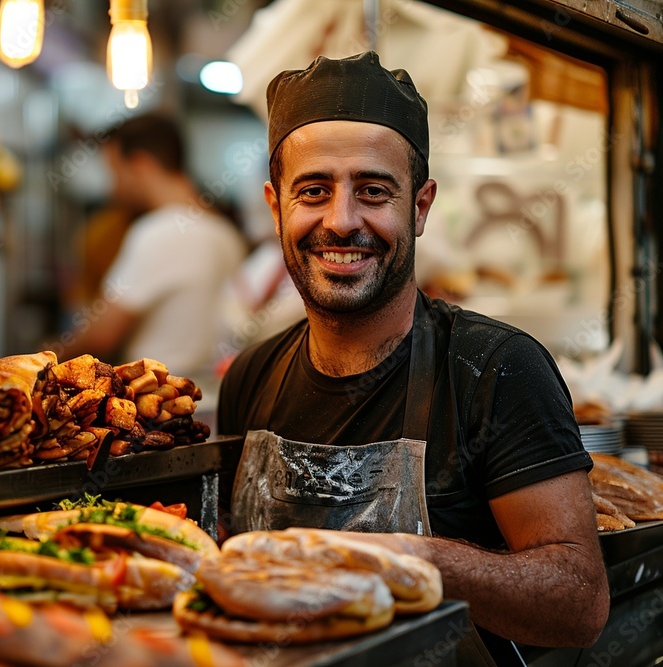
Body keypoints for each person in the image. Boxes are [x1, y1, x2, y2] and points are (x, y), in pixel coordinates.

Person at [217, 52, 608, 662]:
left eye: (373, 191)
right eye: (313, 191)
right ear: (276, 207)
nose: (342, 221)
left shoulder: (496, 368)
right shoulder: (251, 377)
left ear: (419, 207)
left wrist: (423, 560)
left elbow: (579, 604)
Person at [59, 113, 248, 387]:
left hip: (155, 399)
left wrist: (42, 361)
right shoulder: (225, 232)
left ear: (139, 164)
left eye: (114, 172)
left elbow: (101, 334)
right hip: (208, 391)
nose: (113, 188)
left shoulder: (158, 232)